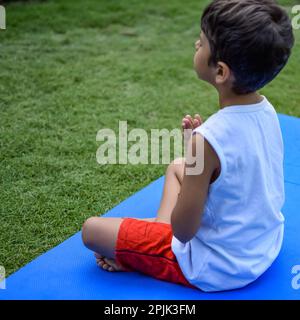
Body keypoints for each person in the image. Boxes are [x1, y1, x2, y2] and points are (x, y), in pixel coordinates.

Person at [81, 0, 295, 291]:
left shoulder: (206, 140)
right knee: (177, 167)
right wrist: (195, 161)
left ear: (220, 71)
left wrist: (198, 161)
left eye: (202, 41)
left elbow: (182, 231)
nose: (196, 43)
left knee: (92, 230)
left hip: (218, 265)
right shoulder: (267, 111)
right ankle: (149, 233)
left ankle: (140, 253)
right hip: (262, 245)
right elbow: (238, 167)